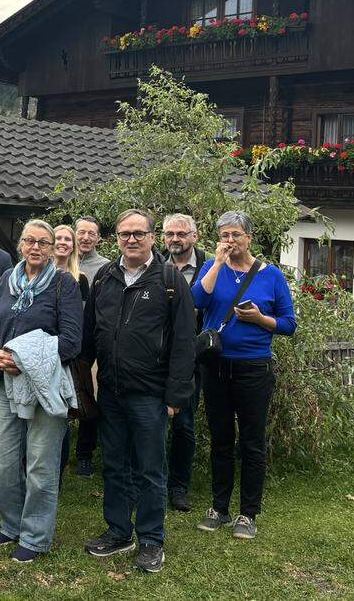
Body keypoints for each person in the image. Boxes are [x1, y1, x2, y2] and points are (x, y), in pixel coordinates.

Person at [82, 208, 195, 574]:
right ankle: (118, 531)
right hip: (111, 391)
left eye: (138, 233)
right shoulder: (104, 278)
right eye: (124, 233)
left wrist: (177, 396)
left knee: (150, 470)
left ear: (151, 237)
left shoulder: (169, 280)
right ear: (115, 238)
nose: (131, 239)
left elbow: (183, 342)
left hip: (150, 394)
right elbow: (88, 336)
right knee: (114, 466)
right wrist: (82, 385)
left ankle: (150, 539)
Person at [0, 219, 83, 563]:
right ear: (21, 245)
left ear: (54, 247)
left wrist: (22, 360)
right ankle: (11, 524)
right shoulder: (4, 283)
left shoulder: (64, 285)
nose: (35, 247)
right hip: (5, 382)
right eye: (29, 241)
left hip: (43, 385)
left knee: (40, 464)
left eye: (43, 242)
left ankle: (35, 536)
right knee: (3, 459)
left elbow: (71, 342)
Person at [192, 211, 296, 540]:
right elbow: (196, 300)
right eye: (225, 235)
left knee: (252, 442)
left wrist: (259, 319)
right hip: (217, 365)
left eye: (236, 234)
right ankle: (219, 508)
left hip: (254, 367)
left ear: (250, 237)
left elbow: (289, 324)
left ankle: (248, 513)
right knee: (221, 438)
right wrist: (218, 264)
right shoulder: (212, 267)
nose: (230, 241)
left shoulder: (272, 276)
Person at [160, 213, 207, 512]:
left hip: (192, 357)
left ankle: (179, 487)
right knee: (153, 423)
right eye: (169, 234)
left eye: (181, 234)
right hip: (156, 355)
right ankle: (153, 481)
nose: (175, 239)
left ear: (194, 236)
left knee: (185, 426)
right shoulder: (154, 265)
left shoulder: (211, 265)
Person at [52, 224, 90, 478]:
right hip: (40, 348)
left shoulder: (80, 279)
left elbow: (82, 319)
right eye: (59, 238)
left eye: (69, 239)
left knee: (61, 410)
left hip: (67, 352)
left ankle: (59, 465)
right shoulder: (37, 273)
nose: (64, 242)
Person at [75, 215, 110, 283]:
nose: (86, 238)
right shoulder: (63, 261)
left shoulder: (106, 267)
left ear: (98, 238)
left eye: (91, 234)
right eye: (82, 232)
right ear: (73, 235)